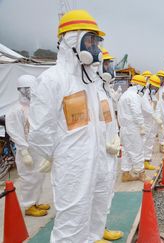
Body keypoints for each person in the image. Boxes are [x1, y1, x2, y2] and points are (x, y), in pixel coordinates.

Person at [28, 9, 107, 242]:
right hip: (72, 165)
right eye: (90, 40)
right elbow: (41, 128)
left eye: (96, 41)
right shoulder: (53, 79)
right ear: (72, 40)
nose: (94, 47)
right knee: (72, 222)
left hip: (96, 160)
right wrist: (47, 156)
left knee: (94, 212)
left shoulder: (89, 82)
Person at [88, 47, 123, 242]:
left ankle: (101, 228)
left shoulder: (105, 91)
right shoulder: (94, 90)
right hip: (99, 152)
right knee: (96, 193)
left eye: (111, 64)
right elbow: (92, 125)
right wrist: (105, 144)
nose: (111, 67)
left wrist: (116, 137)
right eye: (107, 63)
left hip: (109, 150)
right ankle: (93, 234)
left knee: (106, 192)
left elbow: (109, 120)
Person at [6, 75, 50, 217]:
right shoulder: (15, 110)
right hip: (26, 150)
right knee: (29, 178)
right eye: (29, 89)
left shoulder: (34, 107)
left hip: (37, 149)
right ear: (22, 90)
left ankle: (35, 202)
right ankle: (28, 206)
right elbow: (14, 132)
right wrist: (24, 152)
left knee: (38, 176)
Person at [117, 75, 149, 182]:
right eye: (143, 87)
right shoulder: (134, 96)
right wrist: (142, 126)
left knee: (127, 151)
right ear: (139, 86)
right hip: (133, 128)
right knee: (137, 150)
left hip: (124, 128)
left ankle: (125, 173)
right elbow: (137, 113)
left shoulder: (125, 94)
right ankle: (141, 173)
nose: (144, 90)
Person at [140, 74, 161, 170]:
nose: (155, 89)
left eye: (156, 88)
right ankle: (141, 162)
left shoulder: (151, 96)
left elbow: (155, 107)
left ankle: (147, 160)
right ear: (149, 85)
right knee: (143, 142)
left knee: (150, 141)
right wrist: (156, 117)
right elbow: (147, 109)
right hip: (145, 122)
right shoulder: (144, 95)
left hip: (151, 122)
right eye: (154, 87)